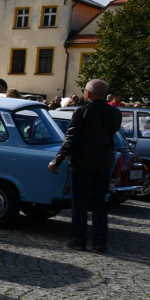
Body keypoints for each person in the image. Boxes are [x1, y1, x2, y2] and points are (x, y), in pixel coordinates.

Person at [48, 78, 121, 252]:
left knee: (79, 204)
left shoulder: (82, 112)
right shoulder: (115, 112)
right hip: (103, 162)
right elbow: (112, 133)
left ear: (88, 93)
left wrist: (56, 160)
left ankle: (79, 240)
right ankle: (100, 242)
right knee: (99, 203)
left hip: (82, 162)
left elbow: (70, 139)